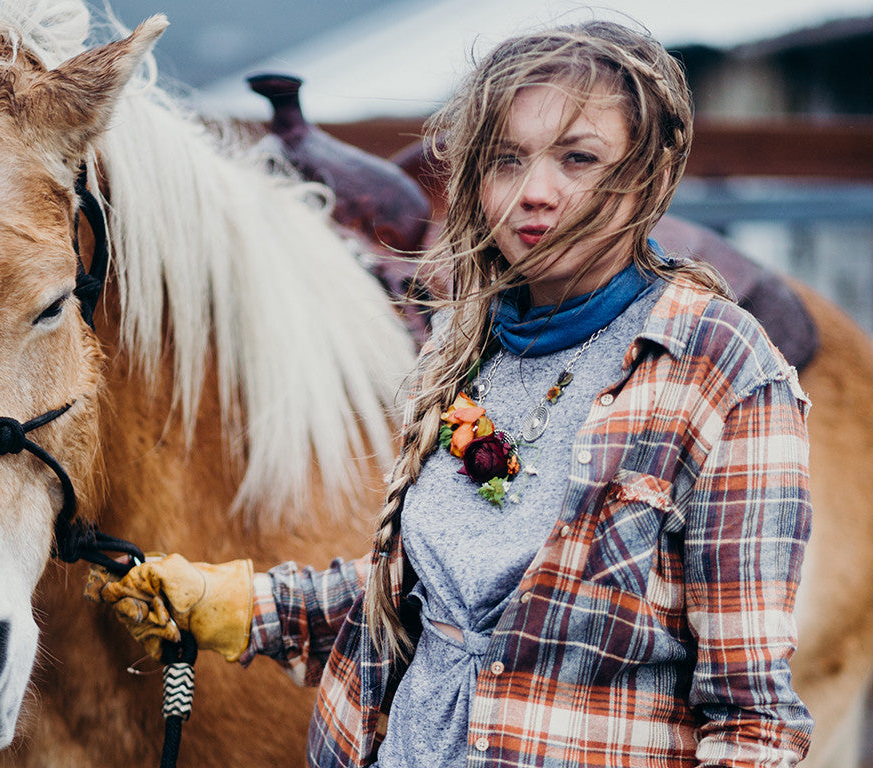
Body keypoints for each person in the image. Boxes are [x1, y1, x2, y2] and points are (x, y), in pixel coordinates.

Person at [89, 19, 813, 768]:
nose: (534, 193)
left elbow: (753, 721)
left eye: (578, 158)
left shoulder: (720, 371)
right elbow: (433, 602)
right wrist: (243, 607)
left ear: (648, 173)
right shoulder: (464, 354)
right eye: (506, 160)